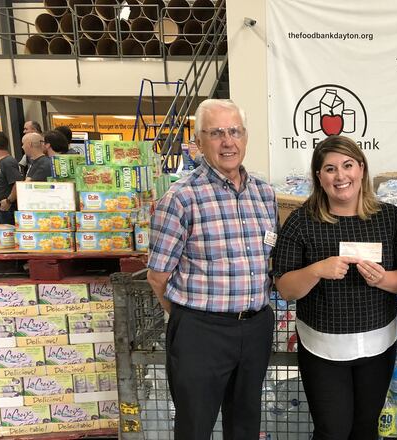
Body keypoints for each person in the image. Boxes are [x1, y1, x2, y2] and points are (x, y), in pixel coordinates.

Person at [146, 99, 276, 439]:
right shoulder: (181, 198)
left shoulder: (264, 194)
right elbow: (157, 276)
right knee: (195, 426)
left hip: (255, 327)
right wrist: (192, 320)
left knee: (246, 424)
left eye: (235, 131)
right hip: (201, 332)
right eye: (216, 133)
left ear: (245, 137)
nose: (228, 141)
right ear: (199, 142)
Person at [272, 135, 397, 440]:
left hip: (377, 346)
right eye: (330, 168)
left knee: (365, 430)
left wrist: (382, 279)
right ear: (319, 177)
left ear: (361, 169)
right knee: (332, 431)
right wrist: (316, 270)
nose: (340, 176)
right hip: (323, 350)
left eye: (348, 165)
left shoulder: (389, 218)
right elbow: (285, 288)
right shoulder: (301, 222)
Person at [0, 131, 22, 225]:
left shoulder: (8, 162)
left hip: (8, 208)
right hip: (2, 208)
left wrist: (8, 201)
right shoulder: (1, 162)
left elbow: (17, 183)